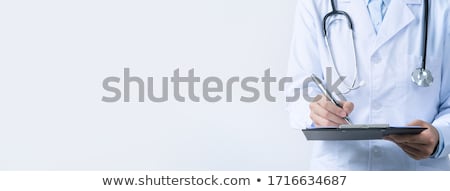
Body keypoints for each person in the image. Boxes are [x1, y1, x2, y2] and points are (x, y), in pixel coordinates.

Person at [286, 0, 450, 170]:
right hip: (341, 170)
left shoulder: (442, 6)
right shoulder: (316, 4)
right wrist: (317, 110)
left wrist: (440, 137)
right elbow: (299, 89)